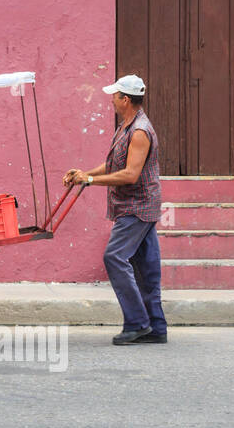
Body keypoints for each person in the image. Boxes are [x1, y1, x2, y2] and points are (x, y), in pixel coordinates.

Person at [64, 75, 168, 345]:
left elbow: (131, 174)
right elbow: (113, 165)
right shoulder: (126, 127)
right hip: (134, 205)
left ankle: (137, 322)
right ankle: (155, 327)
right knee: (144, 266)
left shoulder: (140, 131)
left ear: (125, 99)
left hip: (137, 206)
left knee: (114, 257)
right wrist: (84, 174)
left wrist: (90, 181)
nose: (111, 99)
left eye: (114, 95)